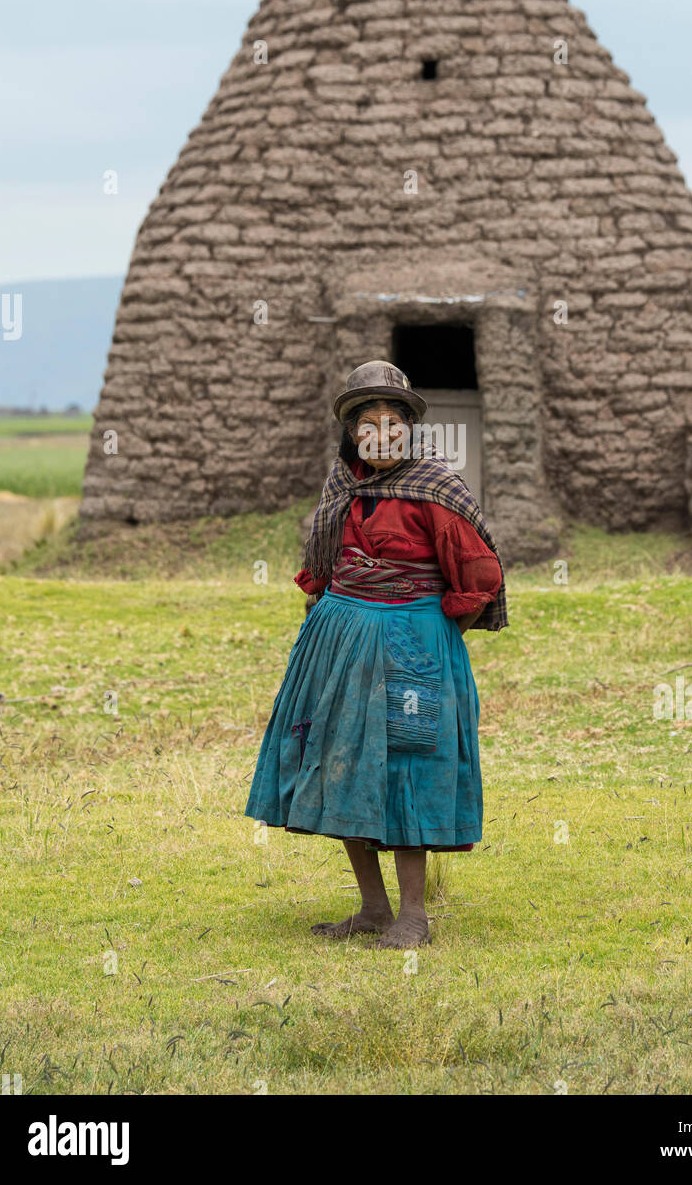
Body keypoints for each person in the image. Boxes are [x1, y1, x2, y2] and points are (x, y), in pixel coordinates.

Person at [245, 360, 508, 948]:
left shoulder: (437, 489)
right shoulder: (341, 484)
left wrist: (429, 632)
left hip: (412, 644)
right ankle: (371, 909)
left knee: (405, 766)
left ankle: (413, 915)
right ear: (353, 431)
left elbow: (479, 577)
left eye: (394, 420)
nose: (383, 431)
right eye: (370, 421)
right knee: (341, 762)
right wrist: (335, 620)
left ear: (410, 429)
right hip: (337, 643)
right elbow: (320, 566)